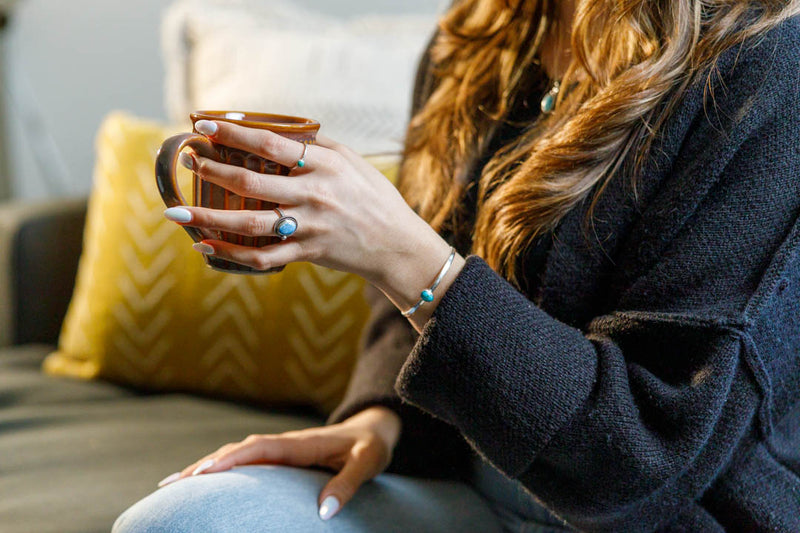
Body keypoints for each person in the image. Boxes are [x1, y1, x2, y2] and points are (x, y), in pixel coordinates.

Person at [114, 0, 800, 530]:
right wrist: (379, 415)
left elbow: (642, 459)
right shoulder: (476, 37)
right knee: (178, 521)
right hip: (469, 488)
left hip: (649, 514)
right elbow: (411, 288)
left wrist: (402, 253)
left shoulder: (765, 65)